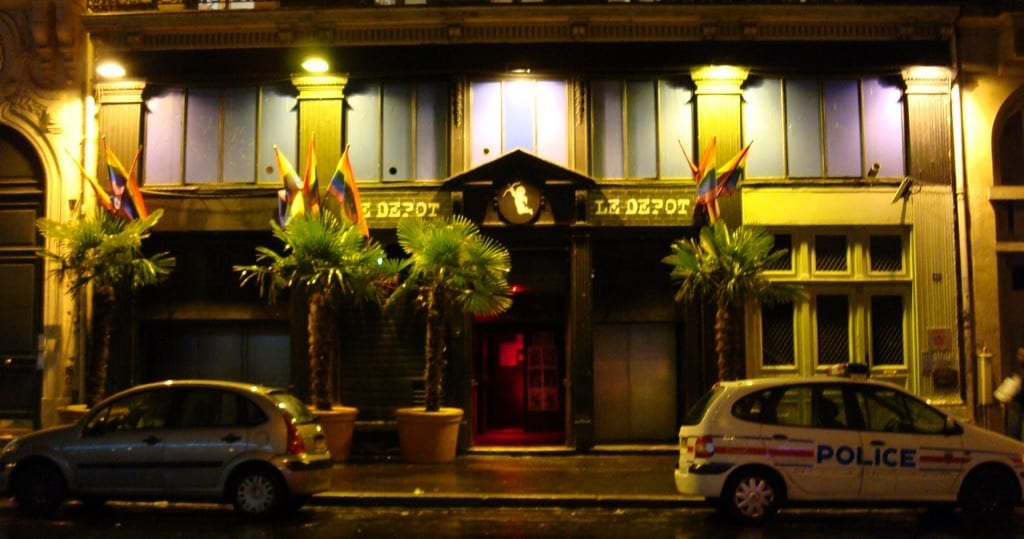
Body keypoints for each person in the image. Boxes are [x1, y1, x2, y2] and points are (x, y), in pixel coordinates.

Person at [1008, 348, 1024, 440]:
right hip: (1017, 403)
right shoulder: (1017, 368)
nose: (1019, 357)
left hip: (1018, 402)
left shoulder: (1019, 370)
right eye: (1019, 355)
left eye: (1022, 355)